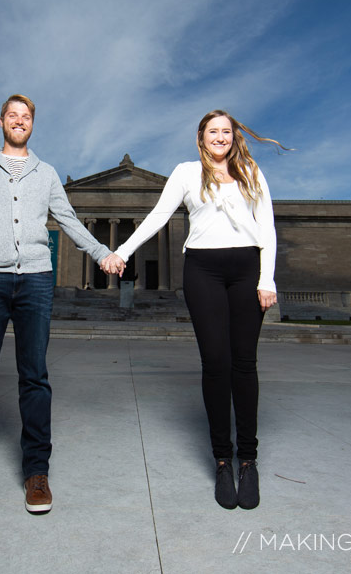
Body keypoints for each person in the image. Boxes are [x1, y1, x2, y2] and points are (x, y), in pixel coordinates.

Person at [0, 94, 125, 517]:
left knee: (35, 377)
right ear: (1, 122)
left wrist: (102, 253)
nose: (20, 121)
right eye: (13, 115)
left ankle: (37, 472)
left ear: (33, 124)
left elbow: (68, 219)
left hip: (35, 279)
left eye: (26, 116)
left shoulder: (46, 173)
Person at [106, 109, 284, 510]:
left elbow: (267, 226)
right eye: (212, 131)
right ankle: (222, 459)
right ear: (201, 137)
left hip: (246, 270)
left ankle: (248, 460)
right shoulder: (186, 173)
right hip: (202, 269)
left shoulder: (251, 171)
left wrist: (266, 279)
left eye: (226, 131)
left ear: (234, 137)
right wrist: (121, 251)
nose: (220, 137)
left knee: (244, 364)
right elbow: (158, 216)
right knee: (215, 363)